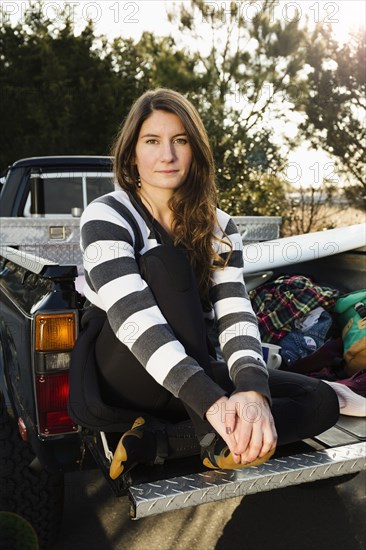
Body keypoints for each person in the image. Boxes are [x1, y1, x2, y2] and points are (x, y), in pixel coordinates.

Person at [79, 88, 339, 480]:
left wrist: (251, 390)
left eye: (179, 141)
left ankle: (159, 443)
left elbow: (235, 310)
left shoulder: (217, 223)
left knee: (319, 399)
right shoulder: (107, 214)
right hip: (125, 370)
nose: (167, 155)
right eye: (152, 141)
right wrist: (214, 403)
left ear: (195, 149)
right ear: (133, 152)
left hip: (192, 367)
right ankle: (212, 435)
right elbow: (133, 318)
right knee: (169, 265)